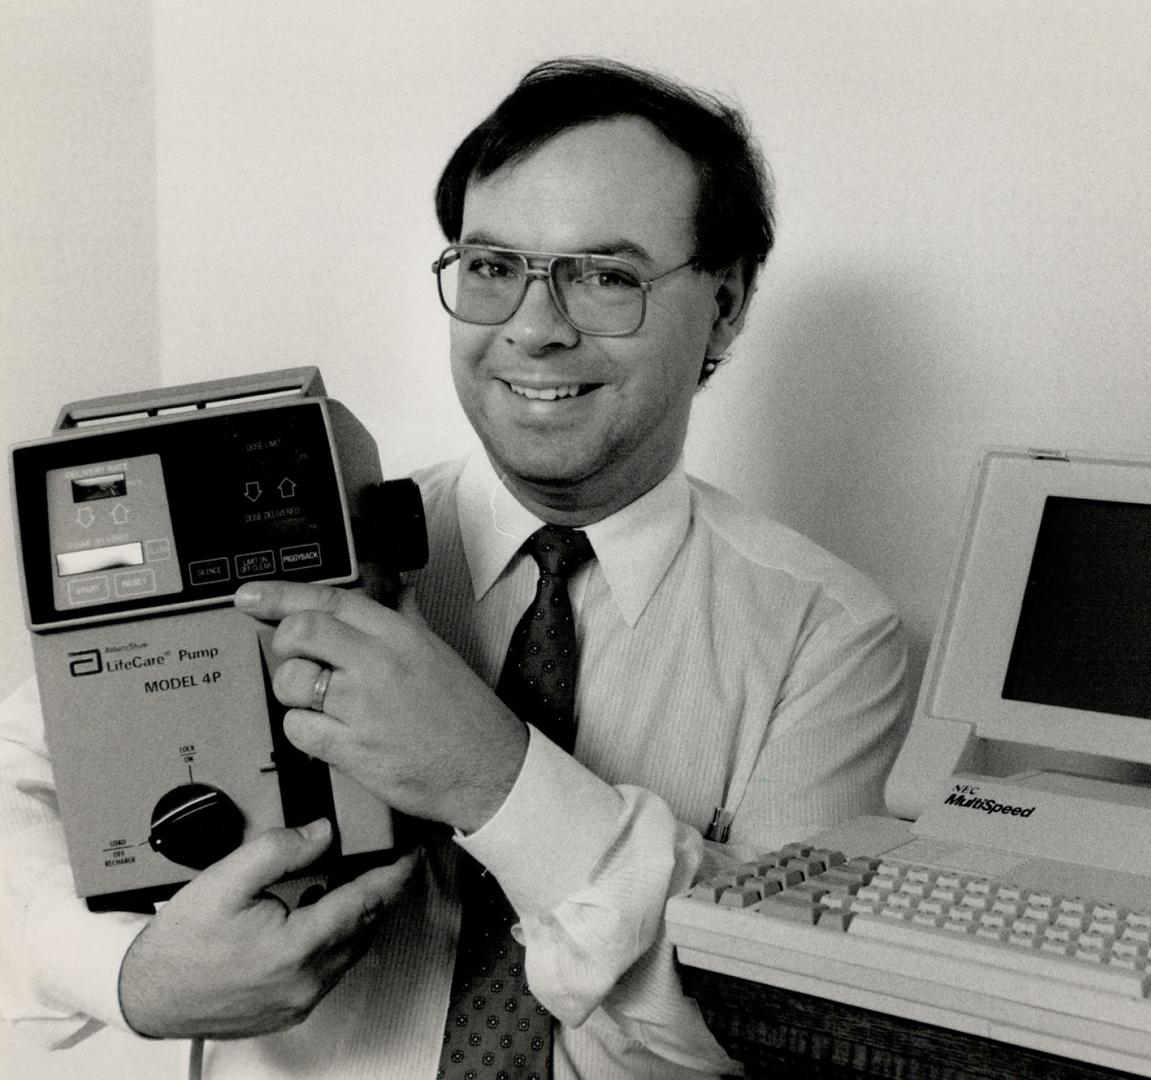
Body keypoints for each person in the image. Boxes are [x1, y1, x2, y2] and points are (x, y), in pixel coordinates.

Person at [0, 58, 909, 1079]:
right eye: (491, 268)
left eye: (606, 276)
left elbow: (781, 1025)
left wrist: (497, 777)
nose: (532, 326)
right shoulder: (286, 543)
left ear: (728, 305)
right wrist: (129, 974)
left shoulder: (831, 639)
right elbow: (15, 788)